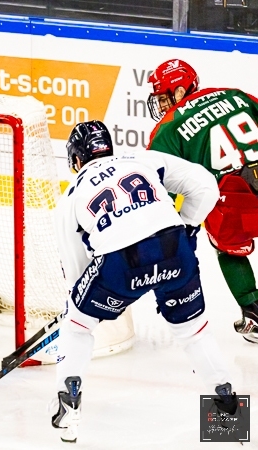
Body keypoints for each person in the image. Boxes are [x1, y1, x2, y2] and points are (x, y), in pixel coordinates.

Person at [52, 121, 238, 443]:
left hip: (121, 264)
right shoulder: (143, 159)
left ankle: (69, 407)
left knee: (76, 327)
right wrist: (188, 226)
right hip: (173, 247)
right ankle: (229, 420)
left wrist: (81, 304)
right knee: (194, 332)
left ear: (76, 159)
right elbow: (206, 185)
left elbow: (75, 270)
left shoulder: (70, 197)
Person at [146, 59, 258, 343]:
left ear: (181, 91)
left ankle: (254, 313)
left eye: (163, 97)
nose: (160, 106)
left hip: (236, 204)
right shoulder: (235, 94)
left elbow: (161, 189)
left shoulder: (167, 129)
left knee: (228, 247)